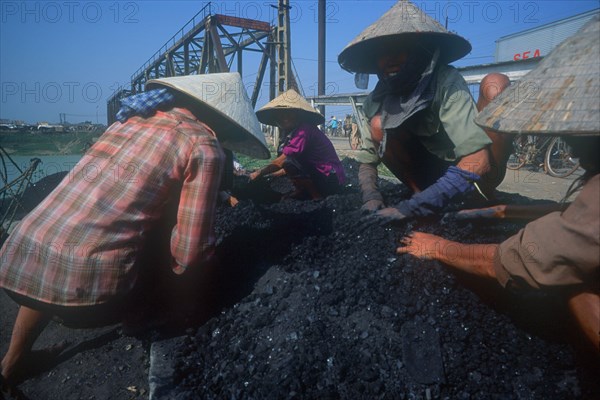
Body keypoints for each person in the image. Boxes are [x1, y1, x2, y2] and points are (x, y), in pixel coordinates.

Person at [0, 72, 270, 389]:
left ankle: (12, 362)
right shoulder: (204, 145)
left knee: (69, 230)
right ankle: (141, 316)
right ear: (222, 120)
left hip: (17, 262)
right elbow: (191, 252)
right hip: (90, 302)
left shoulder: (127, 122)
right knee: (168, 236)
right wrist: (192, 289)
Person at [397, 16, 600, 354]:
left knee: (576, 283)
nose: (568, 143)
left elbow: (521, 260)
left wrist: (438, 247)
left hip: (470, 188)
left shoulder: (449, 86)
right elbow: (579, 220)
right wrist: (508, 211)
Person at [337, 0, 510, 216]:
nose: (391, 59)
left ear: (420, 51)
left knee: (496, 82)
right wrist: (371, 197)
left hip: (474, 175)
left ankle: (477, 196)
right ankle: (424, 198)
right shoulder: (375, 100)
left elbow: (478, 160)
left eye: (400, 49)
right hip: (427, 179)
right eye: (383, 53)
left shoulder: (445, 81)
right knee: (379, 124)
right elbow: (367, 161)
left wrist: (410, 208)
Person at [249, 89, 346, 200]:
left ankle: (317, 196)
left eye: (288, 114)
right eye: (280, 115)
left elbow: (283, 161)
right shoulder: (291, 133)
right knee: (291, 163)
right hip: (320, 174)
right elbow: (287, 167)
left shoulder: (303, 131)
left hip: (330, 178)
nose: (284, 118)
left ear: (298, 115)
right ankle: (302, 190)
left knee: (289, 162)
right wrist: (270, 175)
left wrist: (259, 173)